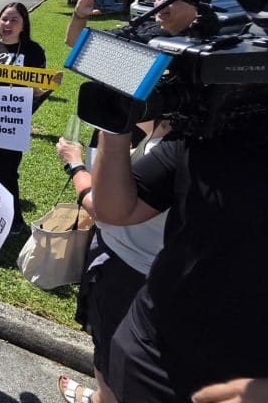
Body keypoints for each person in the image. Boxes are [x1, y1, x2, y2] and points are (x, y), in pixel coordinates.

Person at [90, 109, 268, 402]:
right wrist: (115, 125)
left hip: (258, 378)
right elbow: (117, 209)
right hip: (149, 351)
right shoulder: (226, 122)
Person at [54, 125, 170, 403]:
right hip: (156, 268)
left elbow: (103, 208)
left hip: (127, 269)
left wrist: (75, 165)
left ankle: (102, 399)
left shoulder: (172, 150)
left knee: (110, 347)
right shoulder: (191, 135)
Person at [0, 2, 48, 234]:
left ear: (24, 25)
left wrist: (40, 88)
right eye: (4, 19)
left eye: (14, 20)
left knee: (7, 171)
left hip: (11, 125)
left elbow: (38, 91)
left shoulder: (33, 51)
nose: (7, 24)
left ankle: (13, 220)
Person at [66, 0, 219, 47]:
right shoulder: (143, 31)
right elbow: (76, 43)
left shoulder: (213, 41)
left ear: (195, 3)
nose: (160, 3)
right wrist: (79, 15)